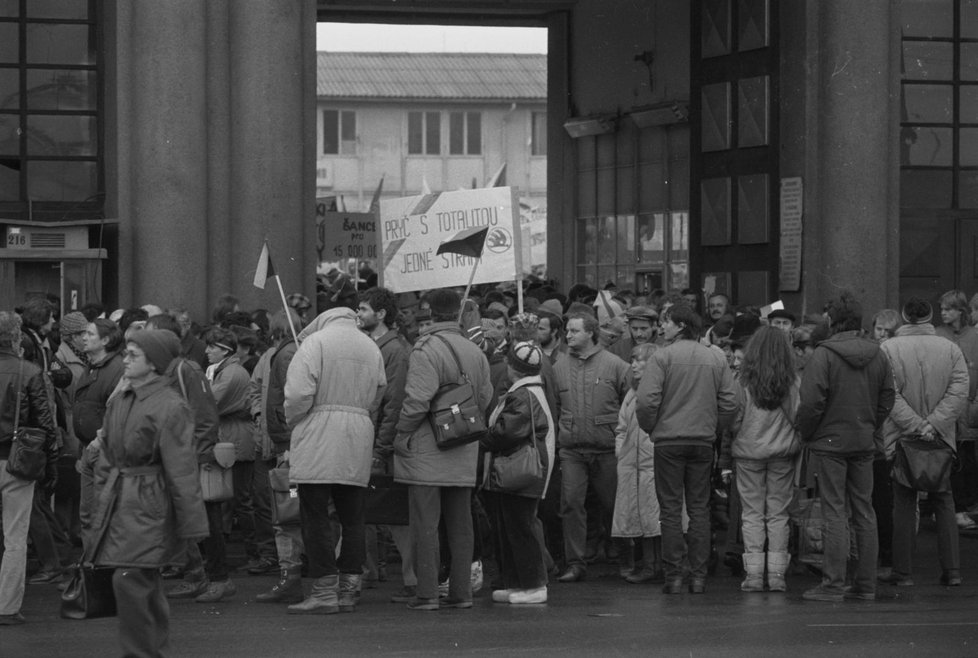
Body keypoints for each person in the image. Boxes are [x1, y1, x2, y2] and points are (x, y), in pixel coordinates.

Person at [90, 330, 209, 656]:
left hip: (149, 505)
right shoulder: (122, 400)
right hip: (122, 501)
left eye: (132, 354)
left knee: (130, 581)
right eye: (125, 353)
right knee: (142, 584)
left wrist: (192, 527)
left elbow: (182, 471)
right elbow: (106, 459)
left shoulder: (170, 406)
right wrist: (100, 505)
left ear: (154, 363)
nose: (124, 360)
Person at [285, 275, 386, 615]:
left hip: (318, 432)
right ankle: (348, 589)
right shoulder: (370, 345)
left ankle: (324, 591)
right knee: (352, 517)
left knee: (315, 516)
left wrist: (294, 420)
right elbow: (380, 390)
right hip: (357, 432)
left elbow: (299, 394)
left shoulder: (315, 343)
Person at [394, 288, 493, 611]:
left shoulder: (426, 348)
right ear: (458, 313)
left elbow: (417, 400)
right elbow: (485, 396)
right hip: (463, 444)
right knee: (460, 523)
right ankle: (461, 592)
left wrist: (402, 433)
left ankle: (427, 593)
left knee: (425, 523)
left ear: (430, 312)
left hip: (427, 445)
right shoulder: (474, 350)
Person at [634, 304, 739, 594]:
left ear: (680, 325)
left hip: (668, 440)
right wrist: (714, 427)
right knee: (699, 508)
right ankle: (698, 576)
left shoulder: (662, 357)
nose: (662, 327)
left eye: (666, 322)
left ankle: (674, 575)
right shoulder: (714, 358)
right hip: (702, 440)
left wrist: (652, 427)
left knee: (669, 509)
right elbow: (731, 401)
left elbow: (646, 402)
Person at [798, 292, 894, 602]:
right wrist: (870, 424)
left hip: (829, 442)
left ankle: (833, 584)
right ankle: (865, 584)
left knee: (835, 512)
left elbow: (812, 402)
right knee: (864, 511)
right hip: (863, 440)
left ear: (832, 321)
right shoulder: (878, 354)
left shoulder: (823, 355)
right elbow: (887, 398)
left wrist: (808, 433)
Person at [879, 297, 968, 587]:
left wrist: (916, 425)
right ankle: (952, 571)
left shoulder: (888, 349)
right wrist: (934, 424)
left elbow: (889, 394)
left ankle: (903, 572)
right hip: (940, 436)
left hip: (903, 437)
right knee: (944, 500)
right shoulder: (950, 349)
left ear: (904, 316)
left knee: (904, 500)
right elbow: (959, 391)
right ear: (930, 316)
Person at [553, 311, 630, 583]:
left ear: (591, 333)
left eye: (574, 331)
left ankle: (620, 554)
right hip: (572, 449)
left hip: (607, 448)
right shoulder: (559, 367)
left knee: (613, 505)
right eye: (568, 331)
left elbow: (629, 405)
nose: (568, 335)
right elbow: (555, 407)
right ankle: (575, 562)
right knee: (571, 504)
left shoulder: (616, 365)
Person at [483, 341, 556, 604]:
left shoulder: (523, 395)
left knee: (522, 528)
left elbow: (507, 432)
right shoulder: (530, 391)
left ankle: (535, 585)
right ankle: (519, 584)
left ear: (514, 368)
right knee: (514, 527)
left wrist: (482, 436)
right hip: (524, 472)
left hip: (522, 473)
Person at [730, 326, 801, 592]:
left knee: (751, 513)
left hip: (748, 453)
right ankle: (777, 575)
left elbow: (734, 418)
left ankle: (755, 575)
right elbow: (798, 417)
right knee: (778, 513)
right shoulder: (792, 382)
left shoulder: (743, 381)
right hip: (783, 453)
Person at [0, 311, 58, 625]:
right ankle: (6, 607)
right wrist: (49, 465)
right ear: (15, 337)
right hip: (16, 461)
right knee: (15, 536)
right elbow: (45, 424)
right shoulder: (29, 371)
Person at [357, 287, 414, 601]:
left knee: (397, 516)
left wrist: (380, 448)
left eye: (364, 309)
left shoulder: (393, 351)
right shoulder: (381, 347)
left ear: (380, 315)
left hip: (385, 445)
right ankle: (371, 571)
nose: (358, 314)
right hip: (376, 439)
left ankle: (413, 580)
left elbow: (394, 403)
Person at [254, 309, 306, 604]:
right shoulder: (290, 352)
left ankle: (290, 576)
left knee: (285, 512)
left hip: (289, 443)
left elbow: (291, 398)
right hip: (288, 440)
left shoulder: (286, 354)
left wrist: (286, 440)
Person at [203, 326, 256, 595]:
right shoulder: (226, 370)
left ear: (224, 350)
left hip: (233, 440)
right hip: (232, 439)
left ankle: (255, 553)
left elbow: (207, 404)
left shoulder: (231, 373)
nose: (207, 351)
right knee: (231, 500)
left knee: (237, 500)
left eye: (212, 347)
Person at [612, 343, 662, 584]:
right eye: (632, 359)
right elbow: (621, 427)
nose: (633, 364)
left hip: (652, 463)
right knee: (638, 516)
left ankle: (655, 566)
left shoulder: (661, 392)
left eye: (639, 360)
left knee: (653, 516)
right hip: (631, 463)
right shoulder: (632, 393)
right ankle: (647, 564)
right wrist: (620, 451)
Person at [934, 290, 978, 531]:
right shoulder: (938, 334)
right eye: (941, 308)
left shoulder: (974, 336)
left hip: (969, 410)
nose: (943, 312)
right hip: (945, 408)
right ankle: (949, 508)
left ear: (961, 310)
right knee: (946, 461)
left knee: (967, 460)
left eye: (948, 309)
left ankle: (965, 506)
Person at [73, 319, 125, 446]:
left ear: (105, 340)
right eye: (84, 333)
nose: (84, 338)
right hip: (87, 447)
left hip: (103, 449)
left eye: (90, 334)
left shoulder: (118, 369)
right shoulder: (92, 366)